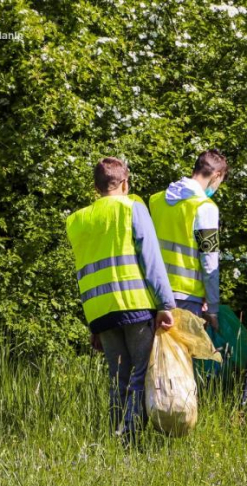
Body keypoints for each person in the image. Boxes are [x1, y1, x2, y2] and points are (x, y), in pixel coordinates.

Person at [66, 157, 176, 444]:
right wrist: (165, 304)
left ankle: (118, 435)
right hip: (135, 304)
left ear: (95, 187)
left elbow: (83, 270)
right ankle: (129, 438)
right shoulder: (132, 209)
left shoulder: (78, 220)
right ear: (125, 182)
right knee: (140, 374)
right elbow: (150, 259)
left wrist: (93, 324)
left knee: (118, 379)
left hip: (100, 311)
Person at [149, 149, 228, 331]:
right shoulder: (205, 208)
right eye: (220, 182)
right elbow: (209, 260)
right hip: (186, 297)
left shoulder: (156, 200)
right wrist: (213, 308)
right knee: (181, 358)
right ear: (216, 176)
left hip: (154, 293)